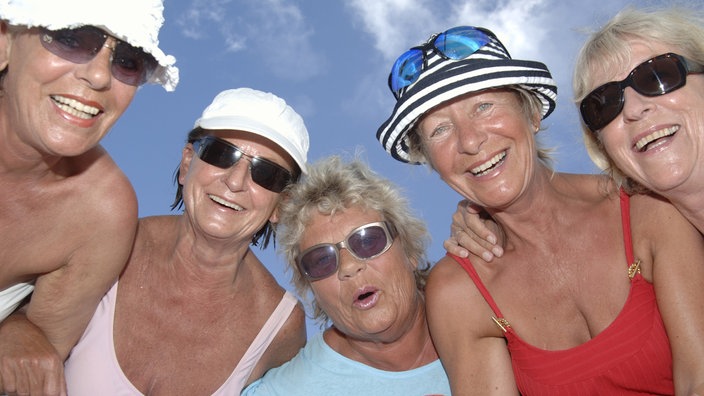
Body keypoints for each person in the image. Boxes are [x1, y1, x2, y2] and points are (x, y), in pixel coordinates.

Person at [376, 25, 704, 394]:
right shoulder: (458, 290)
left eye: (484, 106)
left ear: (532, 113)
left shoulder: (645, 206)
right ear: (431, 162)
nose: (469, 141)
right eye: (439, 130)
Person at [61, 88, 308, 395]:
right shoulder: (107, 244)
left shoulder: (282, 327)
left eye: (266, 174)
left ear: (281, 206)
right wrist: (18, 330)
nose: (235, 181)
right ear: (187, 162)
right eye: (221, 153)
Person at [0, 0, 178, 394]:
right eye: (70, 38)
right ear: (4, 42)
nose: (98, 75)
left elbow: (30, 374)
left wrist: (20, 329)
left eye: (128, 61)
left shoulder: (102, 212)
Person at [451, 6, 704, 262]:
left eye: (657, 76)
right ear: (602, 144)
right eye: (605, 104)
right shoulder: (666, 242)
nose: (634, 109)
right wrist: (488, 213)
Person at [242, 156, 451, 396]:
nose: (349, 267)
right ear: (310, 288)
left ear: (408, 250)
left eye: (368, 241)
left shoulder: (481, 310)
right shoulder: (289, 390)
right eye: (322, 260)